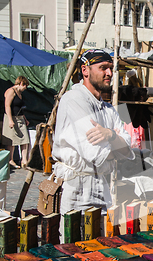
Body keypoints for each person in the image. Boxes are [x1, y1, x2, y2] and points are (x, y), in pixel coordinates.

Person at [52, 49, 134, 230]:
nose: (110, 73)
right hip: (78, 189)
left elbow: (129, 148)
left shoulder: (108, 108)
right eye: (103, 67)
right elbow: (97, 153)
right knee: (74, 248)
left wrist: (111, 135)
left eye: (111, 68)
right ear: (85, 70)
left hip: (104, 187)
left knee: (100, 248)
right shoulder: (73, 99)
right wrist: (118, 143)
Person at [2, 76, 30, 169]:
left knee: (25, 139)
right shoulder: (11, 91)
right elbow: (7, 106)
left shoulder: (20, 93)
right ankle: (11, 160)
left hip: (20, 117)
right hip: (12, 117)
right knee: (12, 140)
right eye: (25, 86)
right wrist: (10, 119)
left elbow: (21, 107)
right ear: (21, 83)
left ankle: (24, 160)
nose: (25, 88)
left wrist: (25, 119)